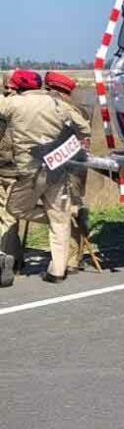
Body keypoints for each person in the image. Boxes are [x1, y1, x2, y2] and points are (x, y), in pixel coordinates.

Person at [0, 69, 91, 284]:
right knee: (60, 217)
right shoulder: (58, 104)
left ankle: (15, 260)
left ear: (18, 87)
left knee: (15, 209)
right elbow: (84, 129)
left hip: (28, 169)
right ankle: (57, 272)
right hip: (57, 168)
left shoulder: (13, 104)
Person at [44, 72, 92, 272]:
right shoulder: (72, 109)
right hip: (67, 166)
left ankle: (72, 257)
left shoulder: (69, 111)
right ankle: (69, 255)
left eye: (49, 90)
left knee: (71, 208)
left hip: (71, 167)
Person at [0, 69, 44, 287]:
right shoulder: (37, 107)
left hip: (10, 169)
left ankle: (6, 260)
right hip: (32, 169)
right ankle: (15, 259)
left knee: (7, 216)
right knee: (10, 216)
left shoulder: (10, 108)